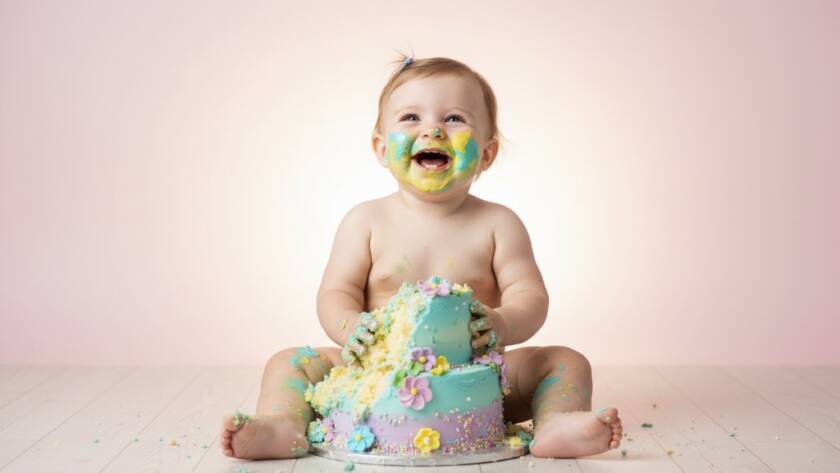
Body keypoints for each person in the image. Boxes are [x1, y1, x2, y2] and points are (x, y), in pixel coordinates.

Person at [221, 54, 623, 459]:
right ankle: (282, 425)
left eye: (454, 119)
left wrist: (502, 323)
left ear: (487, 154)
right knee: (289, 362)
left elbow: (530, 296)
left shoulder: (499, 224)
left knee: (564, 361)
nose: (433, 129)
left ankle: (555, 422)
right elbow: (335, 293)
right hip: (370, 374)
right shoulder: (366, 221)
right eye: (411, 117)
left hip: (479, 380)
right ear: (381, 148)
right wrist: (351, 327)